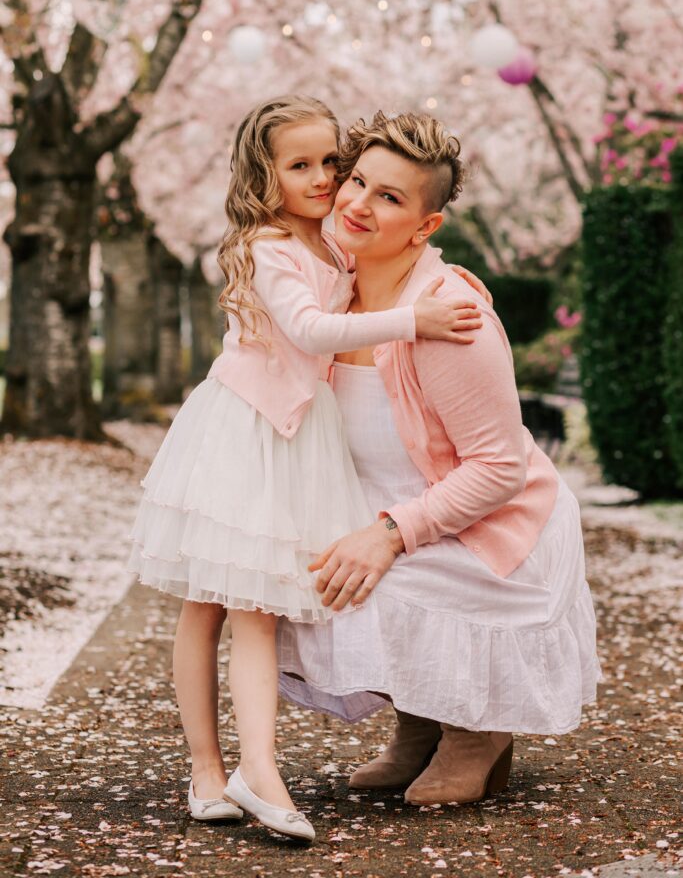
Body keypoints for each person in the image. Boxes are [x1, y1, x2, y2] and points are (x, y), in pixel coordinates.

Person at [127, 95, 488, 841]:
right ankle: (206, 768)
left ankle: (257, 769)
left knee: (259, 610)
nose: (326, 179)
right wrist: (411, 320)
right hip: (245, 431)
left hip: (298, 437)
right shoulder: (266, 247)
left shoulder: (330, 238)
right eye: (302, 166)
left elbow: (392, 244)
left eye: (334, 162)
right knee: (207, 606)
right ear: (265, 174)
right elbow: (309, 328)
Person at [277, 110, 602, 805]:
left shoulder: (451, 319)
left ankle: (475, 734)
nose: (357, 204)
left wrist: (389, 533)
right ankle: (419, 724)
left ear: (424, 227)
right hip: (398, 508)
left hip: (489, 530)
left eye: (389, 197)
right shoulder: (335, 294)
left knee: (367, 579)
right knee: (302, 568)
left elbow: (497, 471)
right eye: (357, 181)